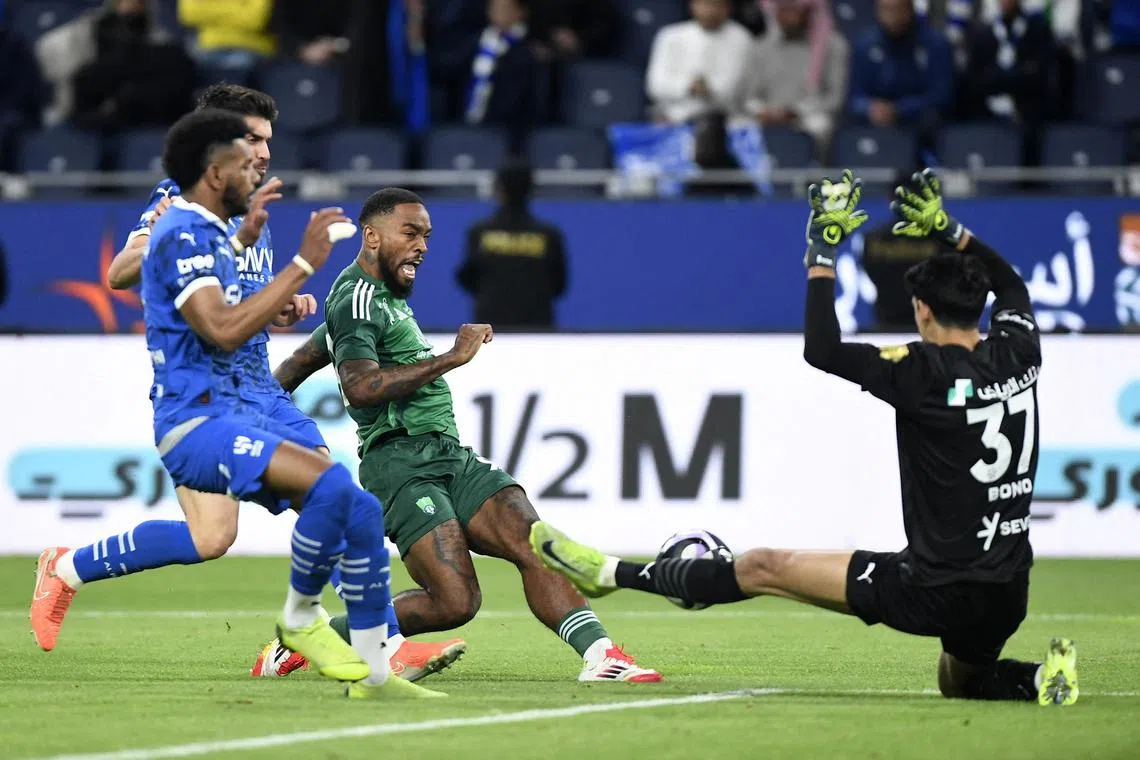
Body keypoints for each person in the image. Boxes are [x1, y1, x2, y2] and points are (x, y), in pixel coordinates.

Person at [528, 169, 1080, 706]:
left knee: (765, 566)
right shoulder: (1017, 352)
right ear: (977, 307)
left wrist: (821, 253)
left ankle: (607, 573)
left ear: (922, 310)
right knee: (959, 682)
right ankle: (1038, 679)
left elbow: (822, 348)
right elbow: (1011, 283)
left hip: (935, 588)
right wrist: (951, 228)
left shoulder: (921, 371)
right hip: (1008, 587)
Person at [29, 109, 442, 700]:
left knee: (344, 501)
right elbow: (124, 272)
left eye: (270, 140)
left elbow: (233, 300)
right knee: (212, 538)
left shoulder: (248, 213)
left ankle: (366, 648)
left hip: (256, 388)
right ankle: (67, 568)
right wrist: (277, 262)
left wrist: (278, 303)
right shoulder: (179, 205)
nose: (265, 152)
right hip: (204, 399)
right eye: (253, 139)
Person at [256, 188, 661, 683]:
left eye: (426, 235)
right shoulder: (355, 296)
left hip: (450, 456)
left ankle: (602, 656)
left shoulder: (379, 301)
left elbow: (300, 361)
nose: (422, 245)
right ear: (372, 236)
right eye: (410, 233)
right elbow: (361, 389)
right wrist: (452, 356)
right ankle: (308, 638)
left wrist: (256, 404)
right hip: (401, 464)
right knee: (455, 601)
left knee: (534, 542)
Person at [456, 160, 567, 329]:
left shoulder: (480, 232)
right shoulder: (548, 235)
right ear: (531, 190)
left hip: (490, 329)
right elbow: (559, 285)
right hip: (538, 329)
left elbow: (467, 278)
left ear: (498, 189)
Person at [848, 0, 954, 132]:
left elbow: (941, 95)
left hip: (918, 122)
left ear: (909, 9)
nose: (891, 16)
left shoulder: (935, 44)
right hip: (875, 121)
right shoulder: (865, 45)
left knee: (931, 119)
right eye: (885, 9)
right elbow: (855, 96)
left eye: (896, 9)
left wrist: (899, 109)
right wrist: (869, 108)